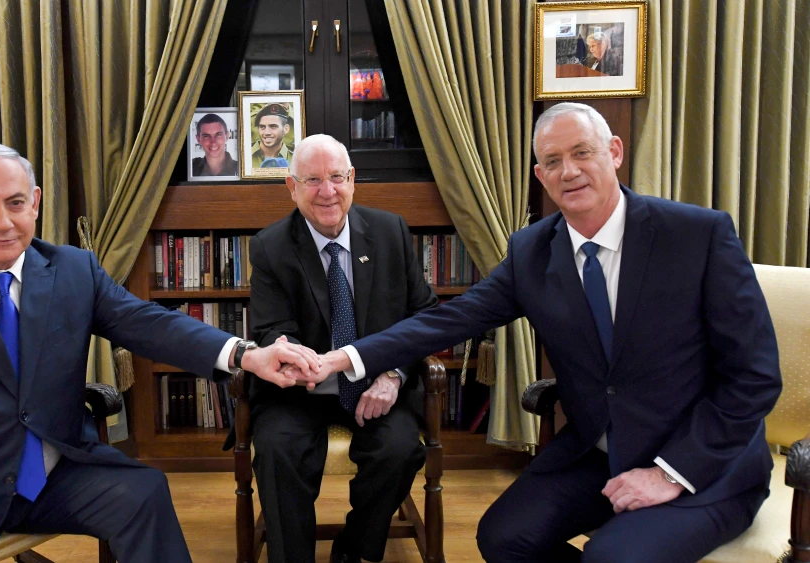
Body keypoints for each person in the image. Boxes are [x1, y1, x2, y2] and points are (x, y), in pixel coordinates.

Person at [317, 103, 782, 562]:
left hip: (703, 462)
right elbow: (447, 320)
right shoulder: (532, 251)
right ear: (540, 176)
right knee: (502, 538)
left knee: (612, 556)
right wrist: (344, 359)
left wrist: (670, 473)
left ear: (615, 152)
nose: (570, 171)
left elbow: (755, 376)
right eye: (554, 161)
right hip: (599, 453)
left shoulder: (696, 235)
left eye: (583, 153)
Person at [0, 143, 321, 563]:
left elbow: (149, 324)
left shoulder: (72, 270)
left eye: (15, 203)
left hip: (55, 476)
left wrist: (245, 353)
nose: (4, 222)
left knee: (143, 492)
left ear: (35, 203)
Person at [246, 134, 437, 563]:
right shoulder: (270, 247)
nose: (327, 192)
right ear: (291, 187)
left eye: (336, 177)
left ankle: (353, 549)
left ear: (352, 179)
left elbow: (425, 315)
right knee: (277, 450)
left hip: (376, 385)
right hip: (300, 390)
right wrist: (299, 359)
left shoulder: (390, 231)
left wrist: (394, 374)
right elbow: (271, 327)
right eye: (312, 180)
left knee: (400, 449)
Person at [251, 103, 294, 169]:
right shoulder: (245, 157)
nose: (267, 132)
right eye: (262, 127)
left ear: (286, 129)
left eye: (273, 127)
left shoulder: (295, 160)